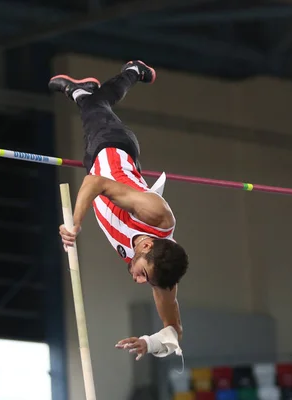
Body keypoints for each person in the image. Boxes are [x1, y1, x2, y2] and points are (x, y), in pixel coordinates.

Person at [49, 60, 189, 361]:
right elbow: (97, 182)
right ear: (148, 244)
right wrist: (74, 225)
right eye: (144, 275)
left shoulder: (162, 274)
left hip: (94, 157)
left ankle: (97, 86)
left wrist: (150, 343)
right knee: (92, 106)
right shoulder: (157, 216)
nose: (139, 280)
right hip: (113, 147)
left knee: (96, 102)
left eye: (146, 280)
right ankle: (131, 72)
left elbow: (174, 328)